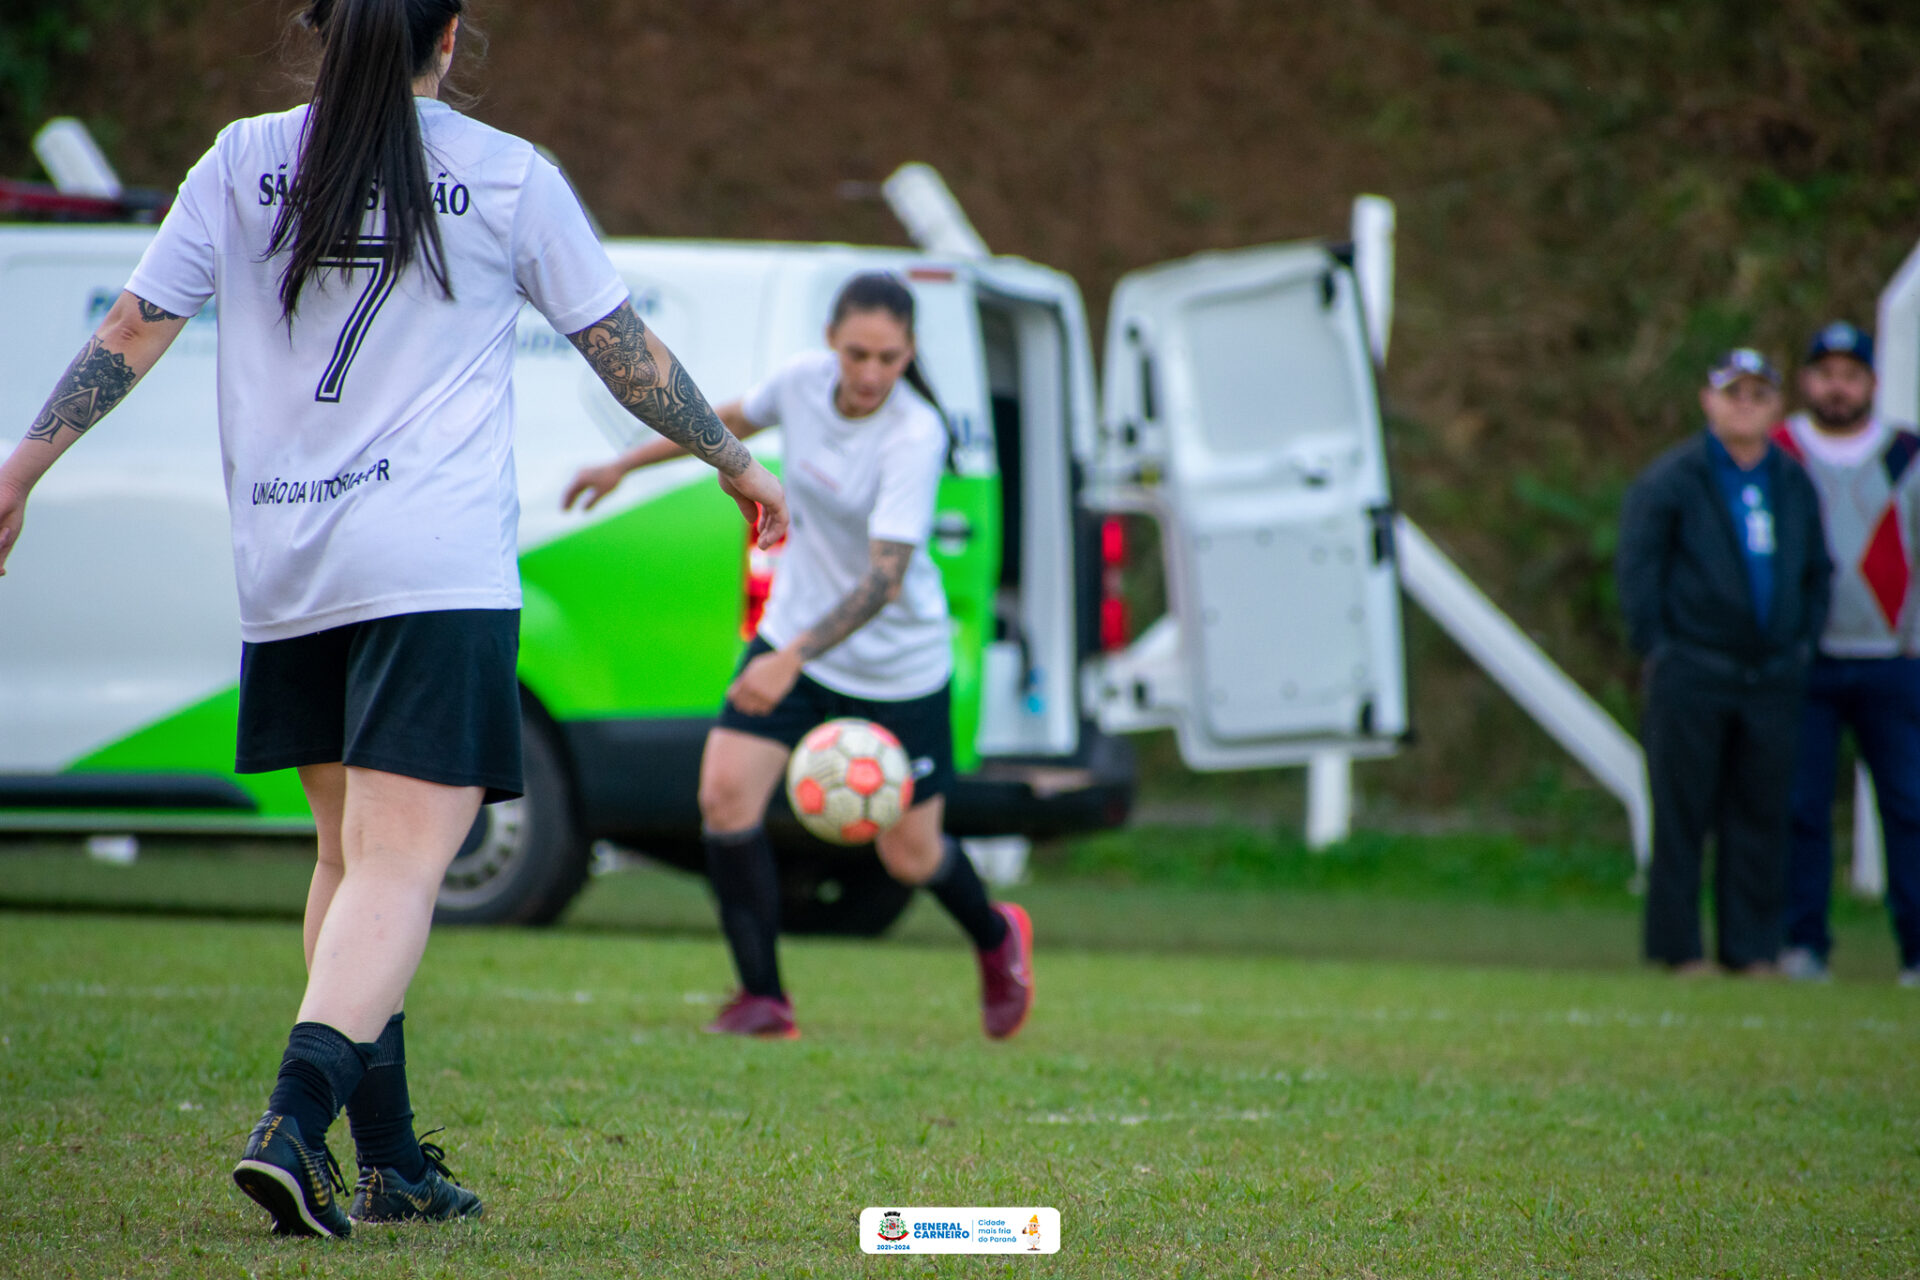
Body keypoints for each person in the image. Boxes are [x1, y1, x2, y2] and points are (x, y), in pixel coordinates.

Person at [0, 0, 786, 1240]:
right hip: (434, 562)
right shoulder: (506, 173)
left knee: (351, 861)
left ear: (320, 28)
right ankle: (293, 1121)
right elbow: (620, 347)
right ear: (453, 36)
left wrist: (20, 468)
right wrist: (734, 460)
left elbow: (131, 329)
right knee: (406, 866)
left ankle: (393, 1159)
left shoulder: (240, 156)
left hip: (290, 559)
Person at [563, 271, 1034, 1041]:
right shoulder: (803, 384)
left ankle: (996, 936)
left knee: (912, 856)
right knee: (724, 796)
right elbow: (715, 420)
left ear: (910, 351)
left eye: (888, 357)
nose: (871, 373)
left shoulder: (916, 434)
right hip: (795, 639)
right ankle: (764, 1000)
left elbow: (884, 580)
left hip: (898, 667)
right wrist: (621, 466)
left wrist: (788, 661)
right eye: (858, 354)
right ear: (832, 344)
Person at [1616, 349, 1831, 975]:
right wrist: (1658, 647)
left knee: (1762, 814)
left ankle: (1753, 949)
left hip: (1770, 676)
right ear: (1709, 400)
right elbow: (1639, 569)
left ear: (1777, 406)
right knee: (1683, 815)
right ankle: (1680, 950)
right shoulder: (1672, 479)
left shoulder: (1791, 481)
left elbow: (1817, 571)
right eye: (1733, 392)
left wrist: (1800, 646)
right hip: (1693, 669)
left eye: (1758, 394)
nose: (1745, 404)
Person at [1770, 322, 1920, 986]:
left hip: (1893, 659)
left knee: (1909, 806)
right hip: (1808, 659)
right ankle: (1804, 944)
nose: (1837, 386)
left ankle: (1915, 948)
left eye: (1849, 374)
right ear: (1807, 382)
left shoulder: (1906, 457)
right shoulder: (1781, 454)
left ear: (1870, 383)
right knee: (1801, 807)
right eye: (1825, 373)